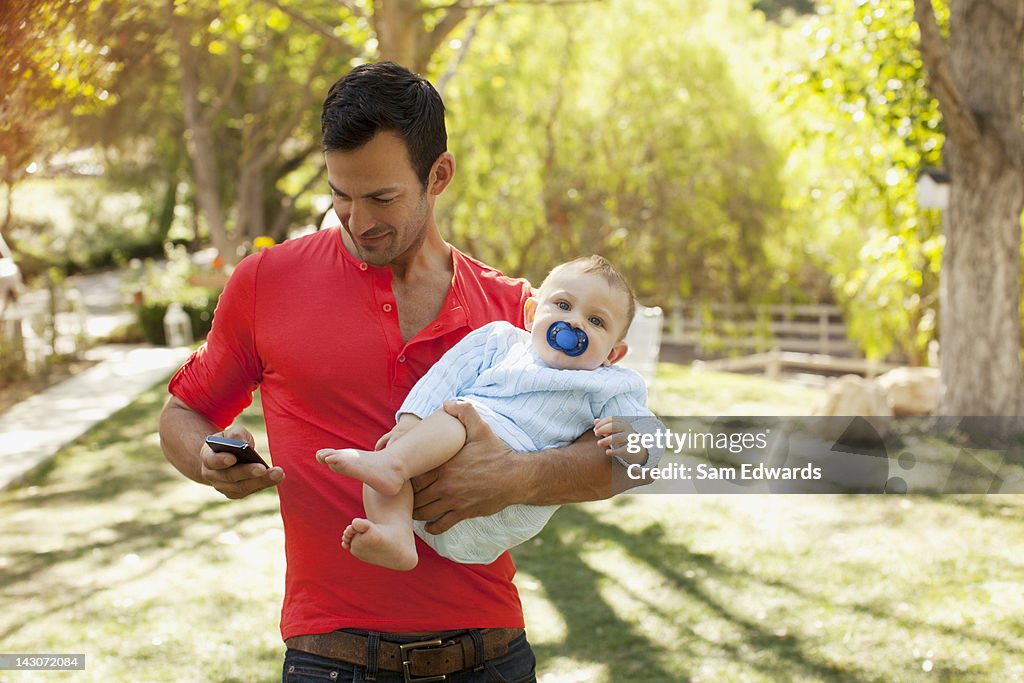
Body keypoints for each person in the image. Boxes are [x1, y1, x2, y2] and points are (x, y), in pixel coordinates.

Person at [158, 61, 628, 683]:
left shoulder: (521, 314)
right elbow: (184, 413)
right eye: (340, 195)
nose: (357, 220)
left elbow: (634, 458)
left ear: (439, 175)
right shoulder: (264, 283)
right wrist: (204, 460)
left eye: (381, 197)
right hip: (331, 659)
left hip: (490, 656)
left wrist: (517, 476)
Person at [316, 255, 660, 571]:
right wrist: (408, 426)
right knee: (392, 456)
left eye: (596, 320)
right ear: (530, 314)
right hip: (436, 473)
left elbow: (651, 444)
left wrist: (635, 444)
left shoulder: (612, 383)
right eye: (563, 305)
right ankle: (394, 533)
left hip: (509, 510)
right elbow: (443, 376)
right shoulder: (500, 341)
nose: (574, 322)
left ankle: (393, 468)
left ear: (614, 354)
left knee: (456, 418)